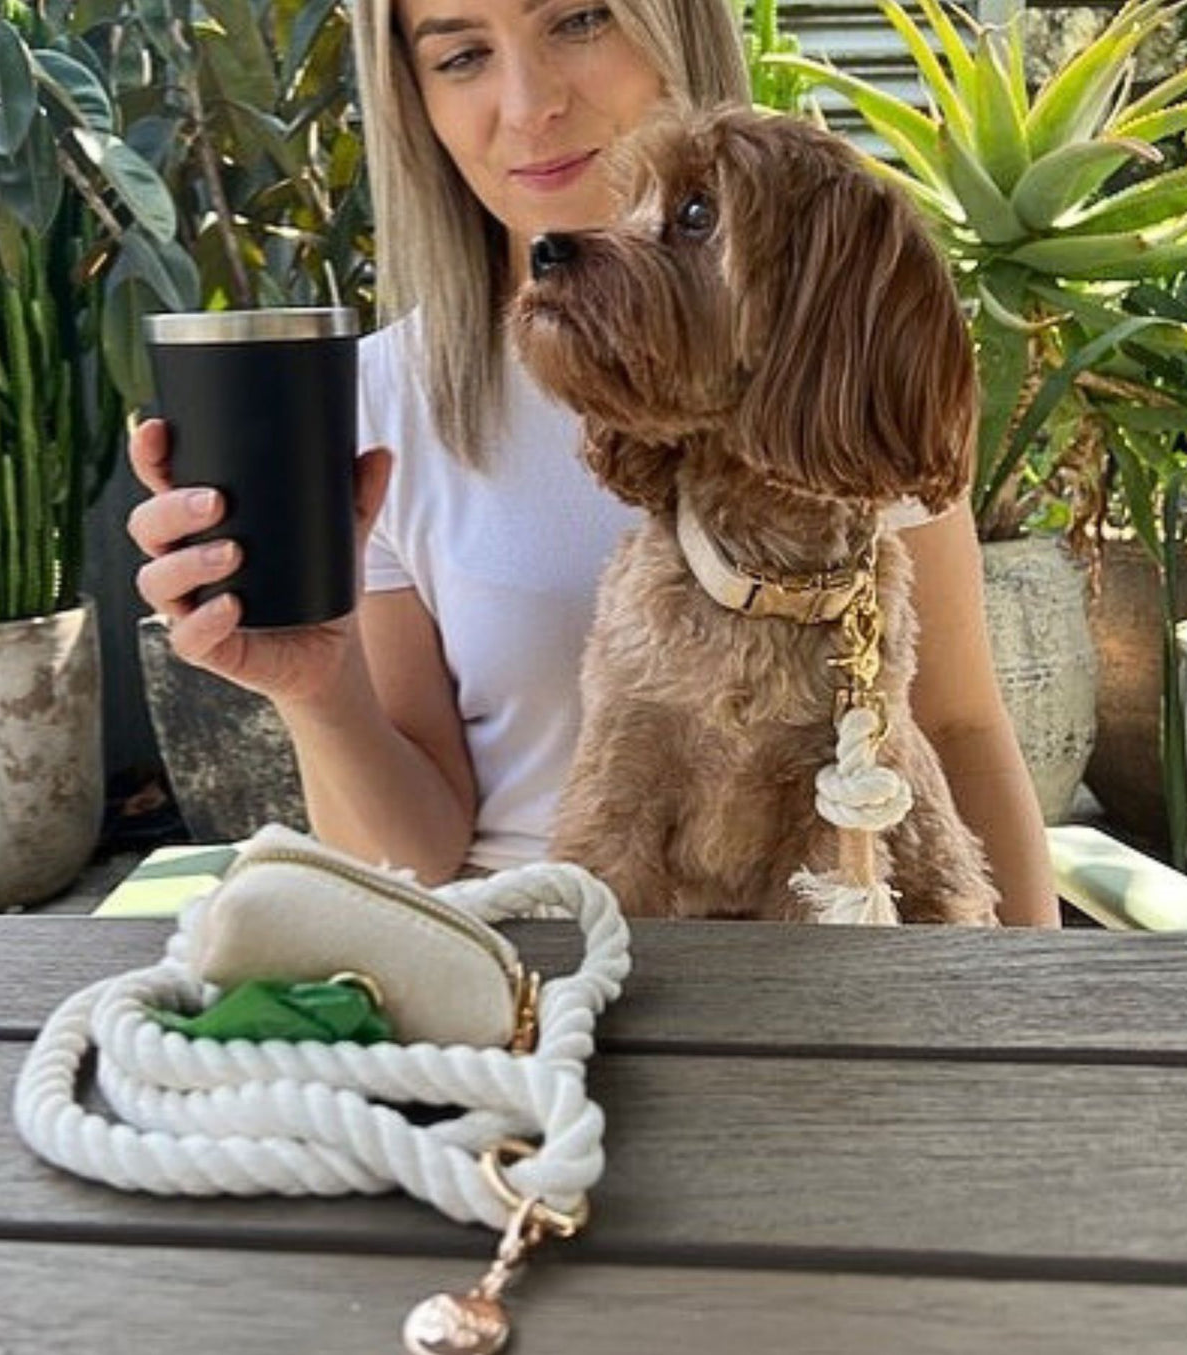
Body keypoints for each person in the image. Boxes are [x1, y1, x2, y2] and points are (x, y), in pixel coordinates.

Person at [127, 0, 1061, 927]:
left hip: (828, 957)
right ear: (415, 100)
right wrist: (318, 690)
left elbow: (956, 730)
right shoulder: (379, 403)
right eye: (461, 58)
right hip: (529, 963)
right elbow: (410, 858)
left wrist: (1042, 1002)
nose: (528, 105)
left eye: (577, 22)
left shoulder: (830, 341)